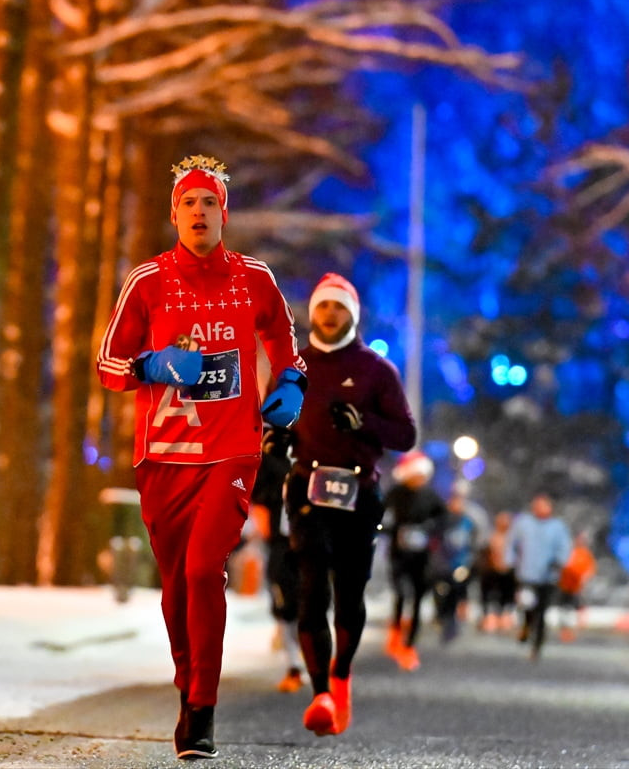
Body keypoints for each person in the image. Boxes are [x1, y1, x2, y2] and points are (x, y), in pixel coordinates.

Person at [96, 155, 308, 761]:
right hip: (163, 454)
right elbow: (108, 365)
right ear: (174, 214)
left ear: (224, 213)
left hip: (233, 450)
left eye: (209, 202)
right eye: (189, 202)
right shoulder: (148, 281)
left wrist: (290, 386)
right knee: (173, 588)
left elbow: (285, 350)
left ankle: (202, 712)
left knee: (200, 571)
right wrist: (150, 365)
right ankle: (188, 686)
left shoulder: (254, 279)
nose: (199, 212)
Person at [283, 272, 416, 736]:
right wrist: (272, 437)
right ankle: (320, 693)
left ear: (352, 315)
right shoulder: (294, 366)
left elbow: (406, 434)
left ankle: (341, 675)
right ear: (312, 312)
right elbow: (273, 418)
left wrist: (364, 423)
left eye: (339, 307)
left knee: (349, 592)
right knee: (311, 586)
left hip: (359, 490)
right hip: (307, 486)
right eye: (323, 307)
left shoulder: (377, 370)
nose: (330, 314)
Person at [249, 425, 303, 692]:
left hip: (311, 541)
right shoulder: (270, 462)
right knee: (284, 599)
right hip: (281, 542)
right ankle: (293, 664)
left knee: (313, 601)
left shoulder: (316, 460)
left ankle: (312, 657)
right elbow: (256, 495)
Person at [383, 450, 447, 670]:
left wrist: (429, 531)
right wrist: (391, 530)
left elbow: (443, 519)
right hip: (399, 553)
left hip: (422, 555)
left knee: (419, 598)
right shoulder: (395, 493)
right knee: (400, 593)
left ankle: (410, 645)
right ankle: (395, 634)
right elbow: (381, 517)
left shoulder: (431, 496)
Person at [505, 492, 572, 661]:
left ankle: (537, 645)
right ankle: (526, 627)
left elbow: (565, 548)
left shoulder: (557, 527)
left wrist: (559, 562)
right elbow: (512, 543)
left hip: (547, 577)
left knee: (542, 612)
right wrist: (510, 562)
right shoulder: (523, 524)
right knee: (526, 606)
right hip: (526, 575)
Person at [430, 482, 483, 644]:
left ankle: (450, 624)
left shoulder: (469, 522)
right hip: (441, 564)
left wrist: (470, 559)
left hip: (459, 564)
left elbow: (474, 542)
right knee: (439, 592)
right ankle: (439, 615)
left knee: (455, 593)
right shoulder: (442, 520)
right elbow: (434, 540)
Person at [477, 510, 517, 632]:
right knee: (490, 598)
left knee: (506, 599)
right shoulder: (490, 537)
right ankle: (489, 618)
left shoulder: (513, 540)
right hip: (491, 573)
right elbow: (484, 555)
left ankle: (504, 617)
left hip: (508, 574)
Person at [555, 530, 597, 642]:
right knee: (564, 610)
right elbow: (561, 567)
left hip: (577, 588)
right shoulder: (569, 552)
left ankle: (574, 631)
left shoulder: (586, 554)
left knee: (577, 609)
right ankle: (564, 632)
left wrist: (584, 580)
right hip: (565, 586)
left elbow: (590, 571)